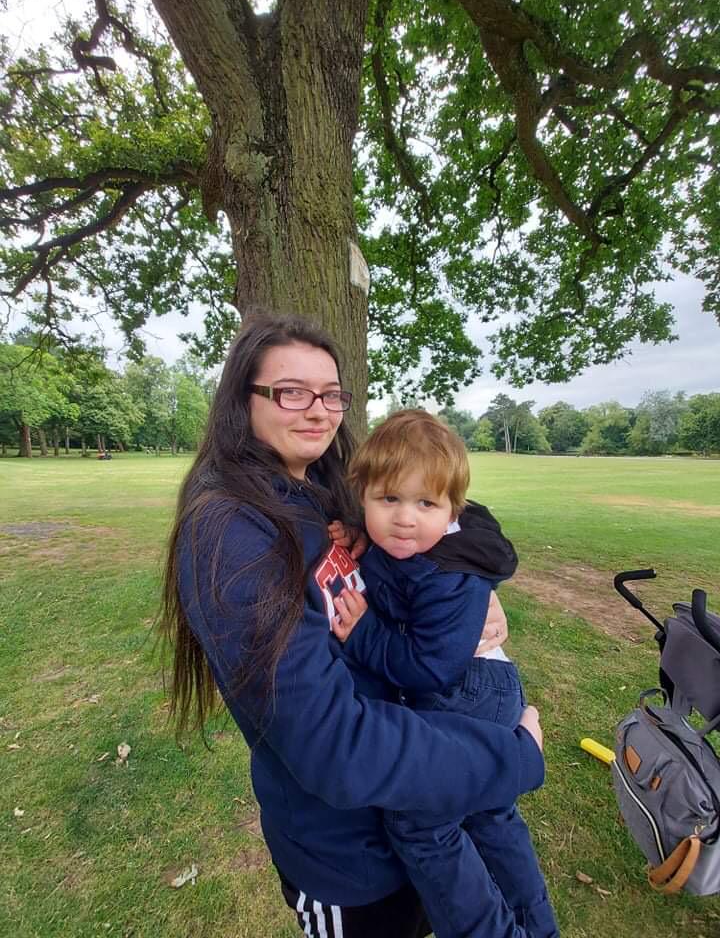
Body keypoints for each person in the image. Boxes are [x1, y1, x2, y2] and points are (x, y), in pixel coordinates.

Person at [160, 311, 545, 938]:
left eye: (331, 394)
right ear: (242, 399)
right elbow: (331, 743)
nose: (318, 410)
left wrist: (470, 586)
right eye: (291, 392)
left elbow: (453, 512)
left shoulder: (328, 488)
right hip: (349, 857)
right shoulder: (233, 531)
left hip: (415, 797)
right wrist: (511, 759)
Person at [331, 410, 558, 938]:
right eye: (389, 499)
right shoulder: (415, 545)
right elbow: (390, 561)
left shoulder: (445, 574)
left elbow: (430, 667)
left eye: (425, 504)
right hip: (480, 683)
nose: (404, 519)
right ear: (363, 496)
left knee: (418, 819)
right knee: (489, 813)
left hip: (467, 689)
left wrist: (363, 634)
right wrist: (358, 537)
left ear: (453, 508)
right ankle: (536, 927)